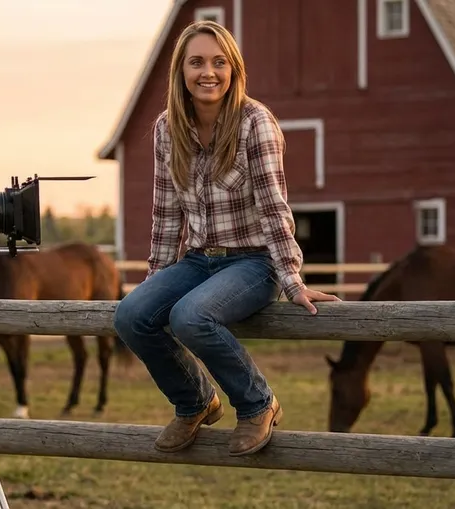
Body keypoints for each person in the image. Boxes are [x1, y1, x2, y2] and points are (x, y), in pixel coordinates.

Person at [112, 20, 340, 457]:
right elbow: (166, 212)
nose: (208, 72)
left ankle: (257, 403)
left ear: (234, 69)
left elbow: (275, 207)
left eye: (219, 63)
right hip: (198, 261)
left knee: (190, 317)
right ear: (181, 70)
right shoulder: (167, 128)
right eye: (196, 62)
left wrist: (291, 279)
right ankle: (194, 401)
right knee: (130, 315)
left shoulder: (256, 123)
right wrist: (155, 283)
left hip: (254, 263)